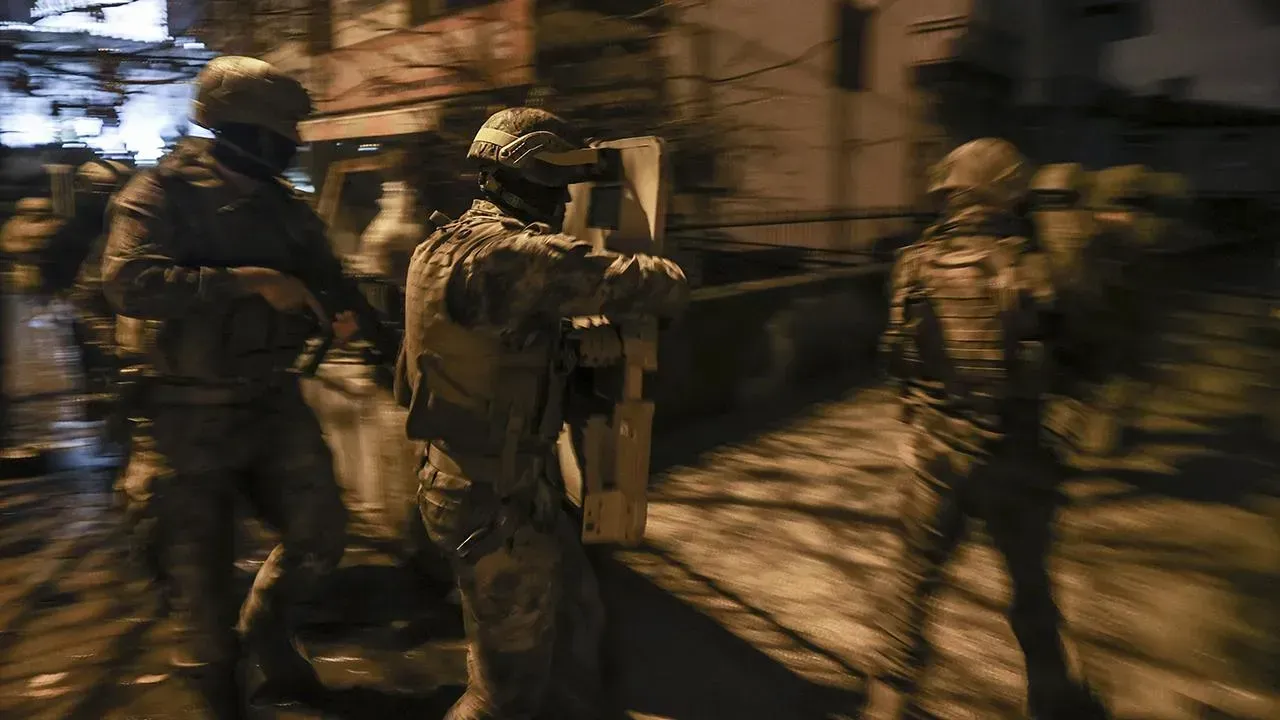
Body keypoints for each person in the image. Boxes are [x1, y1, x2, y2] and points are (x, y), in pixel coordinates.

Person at [101, 55, 383, 718]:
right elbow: (129, 284)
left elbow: (330, 279)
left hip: (270, 401)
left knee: (320, 534)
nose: (293, 142)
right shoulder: (159, 194)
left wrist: (351, 316)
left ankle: (268, 632)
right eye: (284, 130)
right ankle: (220, 696)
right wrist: (248, 281)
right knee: (199, 589)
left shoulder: (283, 208)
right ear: (243, 130)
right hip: (182, 414)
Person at [395, 107, 689, 720]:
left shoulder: (439, 245)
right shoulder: (513, 256)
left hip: (482, 482)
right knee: (502, 695)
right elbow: (660, 285)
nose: (565, 203)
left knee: (576, 618)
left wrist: (573, 346)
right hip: (494, 500)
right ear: (534, 179)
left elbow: (485, 350)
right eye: (560, 186)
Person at [865, 138, 1105, 720]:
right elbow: (1079, 356)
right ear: (1006, 191)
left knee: (910, 585)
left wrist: (917, 423)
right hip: (1013, 455)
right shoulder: (1033, 266)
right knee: (1030, 590)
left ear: (951, 192)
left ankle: (886, 707)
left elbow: (897, 359)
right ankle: (1053, 700)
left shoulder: (912, 264)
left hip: (934, 455)